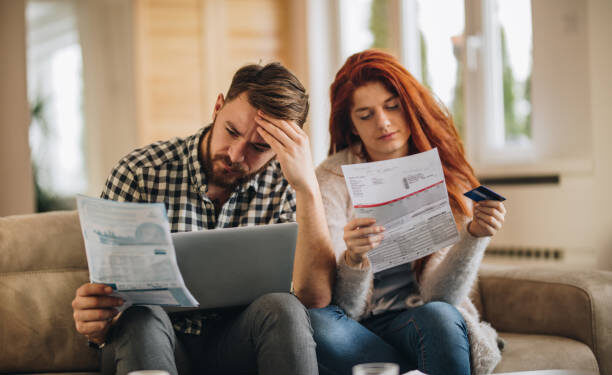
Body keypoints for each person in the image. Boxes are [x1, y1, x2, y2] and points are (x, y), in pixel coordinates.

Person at [71, 62, 336, 375]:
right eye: (232, 131)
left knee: (284, 308)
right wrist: (95, 321)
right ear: (217, 107)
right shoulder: (140, 174)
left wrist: (307, 188)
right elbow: (105, 304)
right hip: (153, 338)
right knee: (142, 316)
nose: (236, 155)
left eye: (259, 147)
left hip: (236, 345)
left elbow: (315, 297)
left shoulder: (287, 183)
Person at [310, 49, 507, 375]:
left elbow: (439, 296)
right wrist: (354, 259)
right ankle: (412, 366)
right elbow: (341, 307)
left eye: (392, 106)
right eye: (365, 114)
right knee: (316, 324)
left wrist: (473, 237)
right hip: (358, 326)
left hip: (422, 318)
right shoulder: (331, 177)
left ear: (409, 106)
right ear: (352, 125)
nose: (383, 122)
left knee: (442, 318)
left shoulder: (445, 174)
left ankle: (392, 368)